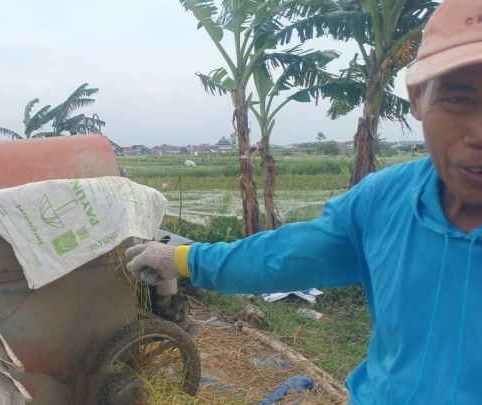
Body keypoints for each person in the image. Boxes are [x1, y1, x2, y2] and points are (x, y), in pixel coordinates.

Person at [125, 1, 482, 404]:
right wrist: (183, 258)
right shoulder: (384, 201)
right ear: (416, 99)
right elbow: (285, 255)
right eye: (459, 98)